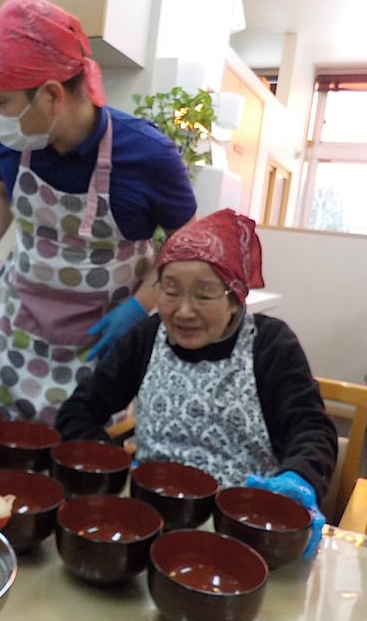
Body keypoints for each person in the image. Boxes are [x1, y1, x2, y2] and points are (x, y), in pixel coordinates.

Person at [0, 0, 197, 423]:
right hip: (16, 326)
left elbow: (186, 243)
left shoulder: (148, 156)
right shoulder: (15, 139)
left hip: (99, 339)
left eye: (0, 102)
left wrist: (142, 304)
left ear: (51, 96)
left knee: (75, 451)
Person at [54, 208, 338, 556]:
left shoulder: (269, 344)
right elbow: (78, 410)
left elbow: (311, 429)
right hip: (147, 522)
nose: (183, 311)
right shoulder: (147, 336)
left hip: (237, 529)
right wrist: (116, 468)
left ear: (235, 299)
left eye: (203, 295)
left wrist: (298, 479)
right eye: (170, 291)